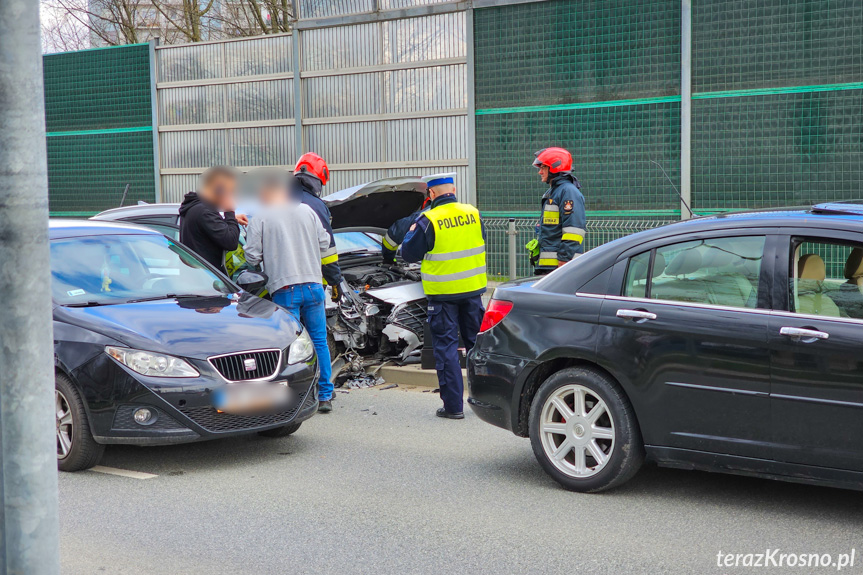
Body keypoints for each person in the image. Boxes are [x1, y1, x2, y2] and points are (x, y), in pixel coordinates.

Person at [243, 170, 336, 413]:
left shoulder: (261, 217)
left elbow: (251, 255)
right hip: (315, 286)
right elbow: (325, 244)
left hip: (285, 289)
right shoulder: (308, 211)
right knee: (319, 341)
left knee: (290, 346)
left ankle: (294, 397)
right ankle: (325, 395)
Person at [401, 173, 486, 419]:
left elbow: (408, 253)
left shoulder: (429, 219)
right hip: (473, 292)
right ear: (454, 189)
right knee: (477, 346)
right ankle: (483, 400)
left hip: (443, 296)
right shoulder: (473, 212)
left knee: (447, 349)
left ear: (432, 194)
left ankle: (453, 407)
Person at [292, 153, 343, 300]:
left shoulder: (279, 199)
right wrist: (335, 282)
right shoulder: (315, 205)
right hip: (310, 284)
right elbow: (327, 251)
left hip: (281, 286)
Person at [179, 166, 247, 272]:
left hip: (198, 276)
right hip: (206, 281)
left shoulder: (195, 207)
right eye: (230, 191)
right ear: (219, 189)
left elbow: (207, 229)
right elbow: (231, 242)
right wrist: (229, 211)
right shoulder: (204, 212)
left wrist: (231, 220)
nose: (232, 196)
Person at [530, 147, 586, 275]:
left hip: (560, 266)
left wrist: (564, 259)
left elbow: (574, 231)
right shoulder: (555, 191)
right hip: (551, 266)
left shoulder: (568, 192)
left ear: (555, 167)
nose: (540, 172)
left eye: (543, 167)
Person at [381, 195, 431, 264]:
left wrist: (388, 259)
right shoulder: (449, 210)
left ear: (432, 192)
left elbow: (394, 235)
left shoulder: (429, 214)